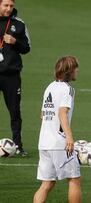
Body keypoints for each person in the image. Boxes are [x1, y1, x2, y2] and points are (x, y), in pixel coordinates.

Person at [33, 56, 81, 203]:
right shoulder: (68, 90)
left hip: (44, 143)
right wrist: (69, 137)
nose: (77, 71)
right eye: (75, 68)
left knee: (47, 184)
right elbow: (62, 113)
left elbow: (43, 115)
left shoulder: (50, 87)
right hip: (59, 144)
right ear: (69, 71)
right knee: (74, 180)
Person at [0, 0, 30, 156]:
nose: (9, 9)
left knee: (15, 112)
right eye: (5, 5)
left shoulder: (19, 24)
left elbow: (27, 48)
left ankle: (17, 145)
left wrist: (14, 42)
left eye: (11, 6)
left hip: (11, 75)